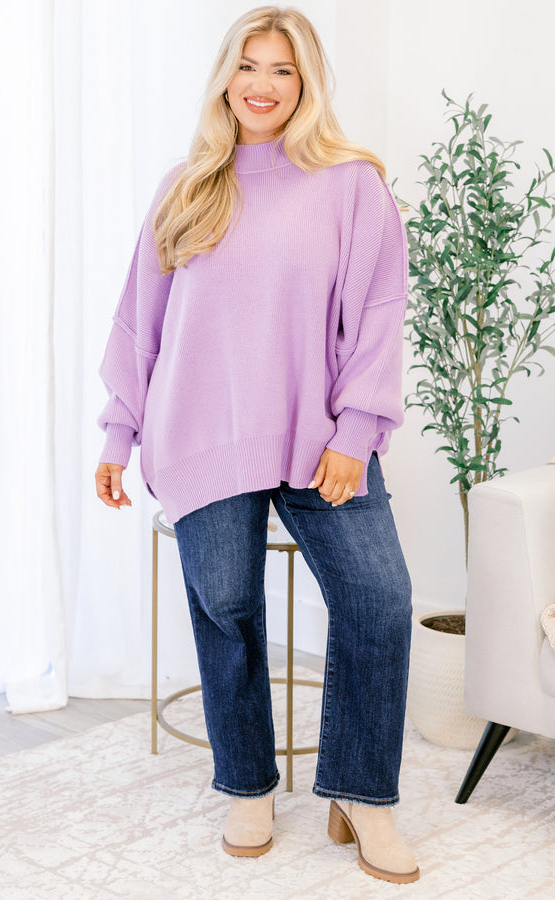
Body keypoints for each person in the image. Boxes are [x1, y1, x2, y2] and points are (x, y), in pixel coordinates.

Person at [95, 5, 419, 885]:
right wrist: (120, 434)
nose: (262, 85)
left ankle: (363, 794)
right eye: (248, 65)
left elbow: (379, 317)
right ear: (225, 77)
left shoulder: (353, 183)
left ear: (306, 83)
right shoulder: (187, 184)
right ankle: (246, 783)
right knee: (227, 602)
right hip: (201, 434)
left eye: (282, 69)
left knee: (380, 603)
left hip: (323, 439)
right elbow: (142, 325)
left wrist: (357, 432)